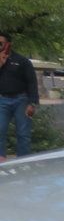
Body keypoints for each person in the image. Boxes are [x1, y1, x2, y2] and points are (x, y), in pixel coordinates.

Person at [0, 31, 39, 161]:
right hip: (2, 100)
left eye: (0, 43)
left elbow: (32, 82)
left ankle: (23, 162)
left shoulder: (22, 61)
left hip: (21, 100)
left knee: (23, 134)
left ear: (8, 44)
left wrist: (32, 103)